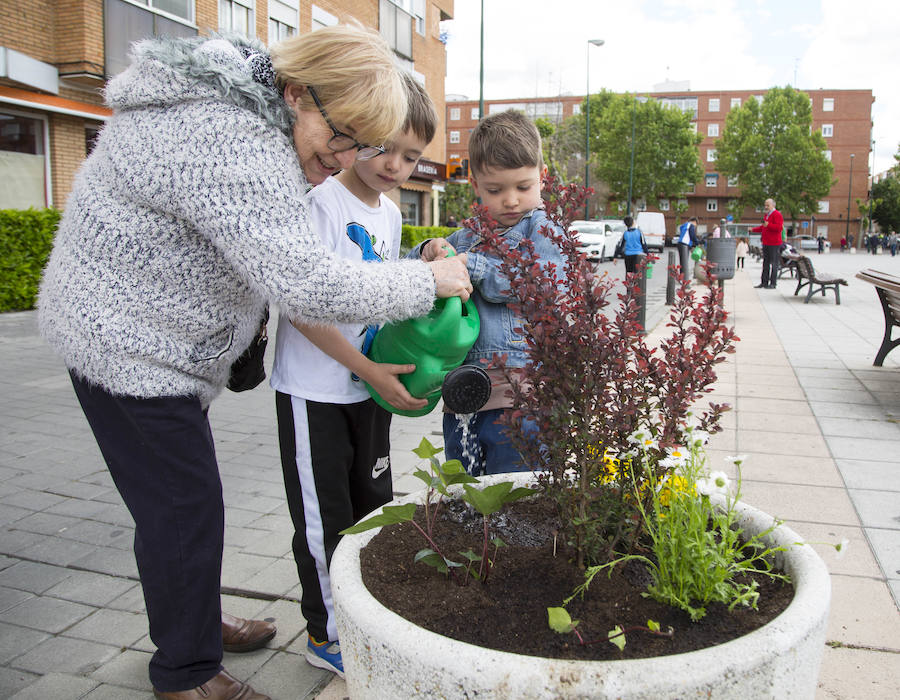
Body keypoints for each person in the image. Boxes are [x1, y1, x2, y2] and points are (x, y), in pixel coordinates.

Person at [36, 28, 471, 700]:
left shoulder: (248, 112)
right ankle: (187, 673)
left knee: (175, 504)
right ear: (297, 93)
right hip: (125, 344)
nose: (350, 156)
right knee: (184, 505)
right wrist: (429, 283)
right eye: (348, 135)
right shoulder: (229, 140)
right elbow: (306, 283)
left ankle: (192, 620)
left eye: (366, 144)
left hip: (154, 341)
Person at [270, 74, 437, 679]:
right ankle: (326, 633)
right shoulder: (318, 201)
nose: (395, 164)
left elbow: (377, 280)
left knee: (373, 511)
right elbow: (301, 305)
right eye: (383, 147)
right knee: (324, 521)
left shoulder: (390, 214)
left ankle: (367, 622)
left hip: (367, 392)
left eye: (412, 156)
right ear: (357, 134)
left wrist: (420, 264)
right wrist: (367, 368)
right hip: (315, 393)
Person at [411, 110, 567, 476]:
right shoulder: (465, 237)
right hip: (464, 395)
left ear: (542, 178)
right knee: (465, 495)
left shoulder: (542, 230)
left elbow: (540, 285)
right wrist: (428, 251)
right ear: (476, 185)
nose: (510, 200)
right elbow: (410, 270)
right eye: (495, 190)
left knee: (519, 495)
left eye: (523, 187)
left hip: (521, 400)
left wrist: (476, 268)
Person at [751, 198, 784, 289]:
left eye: (767, 205)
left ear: (773, 205)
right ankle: (764, 282)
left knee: (774, 264)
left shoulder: (777, 214)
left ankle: (773, 283)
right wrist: (753, 229)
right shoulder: (767, 215)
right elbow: (763, 227)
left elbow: (779, 228)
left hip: (774, 243)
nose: (766, 207)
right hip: (766, 242)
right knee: (765, 263)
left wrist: (768, 225)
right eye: (765, 205)